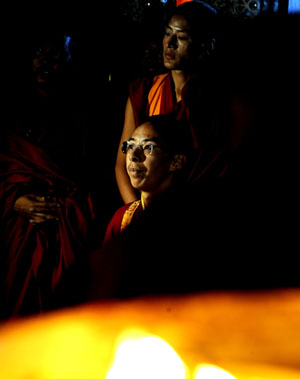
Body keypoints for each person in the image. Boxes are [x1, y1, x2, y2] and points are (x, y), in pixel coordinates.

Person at [0, 30, 96, 319]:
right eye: (39, 53)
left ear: (69, 60)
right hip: (16, 223)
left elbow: (91, 174)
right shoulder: (9, 106)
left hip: (64, 221)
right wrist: (14, 200)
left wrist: (65, 208)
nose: (45, 61)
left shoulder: (84, 110)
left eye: (56, 54)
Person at [115, 1, 223, 204]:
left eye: (181, 37)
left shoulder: (216, 98)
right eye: (167, 33)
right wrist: (138, 213)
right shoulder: (145, 90)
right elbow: (122, 165)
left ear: (207, 46)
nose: (170, 44)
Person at [104, 114, 193, 243]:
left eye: (148, 147)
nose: (133, 156)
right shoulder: (122, 220)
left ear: (176, 162)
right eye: (130, 146)